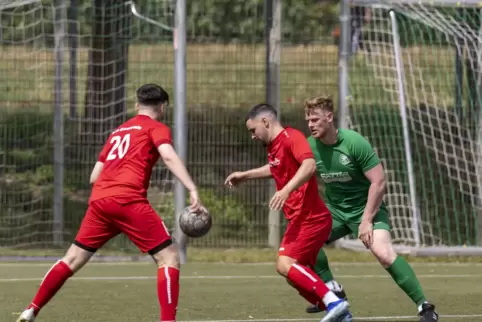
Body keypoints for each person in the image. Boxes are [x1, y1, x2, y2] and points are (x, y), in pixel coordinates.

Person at [16, 84, 201, 322]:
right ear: (162, 107)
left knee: (71, 259)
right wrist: (192, 188)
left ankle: (31, 309)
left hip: (101, 201)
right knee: (169, 257)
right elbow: (167, 155)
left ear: (137, 106)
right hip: (128, 200)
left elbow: (94, 176)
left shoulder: (118, 132)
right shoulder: (156, 127)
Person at [302, 95, 439, 322]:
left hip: (366, 209)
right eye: (308, 120)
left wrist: (366, 220)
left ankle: (424, 306)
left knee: (384, 254)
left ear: (329, 117)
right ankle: (332, 290)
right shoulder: (309, 147)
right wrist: (247, 175)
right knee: (305, 240)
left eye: (315, 119)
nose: (310, 124)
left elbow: (379, 182)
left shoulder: (354, 143)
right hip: (335, 212)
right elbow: (283, 167)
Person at [224, 103, 352, 322]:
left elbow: (309, 165)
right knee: (293, 275)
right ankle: (340, 313)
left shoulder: (292, 136)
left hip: (311, 218)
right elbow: (275, 168)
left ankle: (334, 302)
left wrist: (286, 190)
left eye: (253, 130)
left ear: (266, 122)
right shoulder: (274, 146)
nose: (253, 136)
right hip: (301, 219)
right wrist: (245, 175)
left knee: (285, 264)